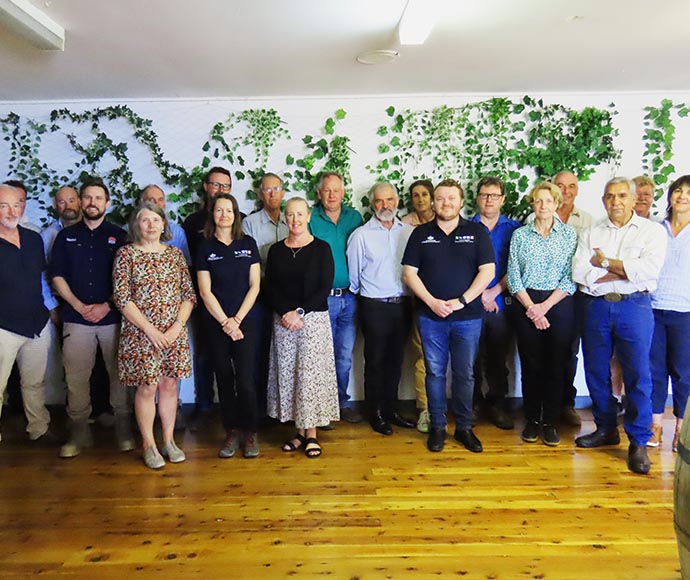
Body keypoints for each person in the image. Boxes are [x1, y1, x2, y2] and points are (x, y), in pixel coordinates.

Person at [572, 177, 667, 475]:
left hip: (634, 307)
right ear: (603, 200)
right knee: (596, 370)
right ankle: (606, 429)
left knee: (639, 373)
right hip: (596, 307)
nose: (616, 202)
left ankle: (638, 441)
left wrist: (604, 262)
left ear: (633, 198)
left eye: (622, 196)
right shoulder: (592, 230)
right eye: (610, 196)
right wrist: (623, 268)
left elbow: (647, 271)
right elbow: (579, 270)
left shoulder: (652, 232)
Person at [402, 178, 495, 453]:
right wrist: (432, 302)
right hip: (431, 318)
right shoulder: (420, 234)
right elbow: (409, 274)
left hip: (467, 318)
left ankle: (464, 428)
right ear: (434, 201)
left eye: (451, 198)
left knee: (465, 374)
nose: (445, 203)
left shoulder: (477, 232)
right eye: (440, 198)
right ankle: (438, 428)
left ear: (461, 201)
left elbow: (487, 272)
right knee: (434, 373)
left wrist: (461, 301)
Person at [50, 177, 133, 458]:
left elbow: (126, 281)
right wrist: (77, 304)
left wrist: (107, 306)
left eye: (98, 198)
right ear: (81, 201)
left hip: (112, 318)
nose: (92, 202)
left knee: (119, 376)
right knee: (76, 378)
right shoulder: (66, 236)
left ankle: (123, 429)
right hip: (75, 317)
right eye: (87, 197)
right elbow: (56, 275)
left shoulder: (120, 236)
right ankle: (79, 433)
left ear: (107, 204)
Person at [112, 202, 195, 469]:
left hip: (173, 333)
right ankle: (149, 444)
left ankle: (168, 441)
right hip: (140, 333)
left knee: (170, 386)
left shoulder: (174, 255)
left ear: (163, 224)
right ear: (136, 225)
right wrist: (150, 331)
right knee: (147, 386)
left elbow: (188, 295)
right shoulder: (126, 254)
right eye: (145, 220)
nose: (151, 225)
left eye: (155, 220)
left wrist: (175, 329)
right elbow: (122, 298)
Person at [265, 197, 339, 458]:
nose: (295, 220)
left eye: (300, 214)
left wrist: (298, 312)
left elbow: (324, 286)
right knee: (291, 376)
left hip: (312, 320)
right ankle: (298, 431)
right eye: (290, 214)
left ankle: (311, 435)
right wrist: (285, 312)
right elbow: (270, 287)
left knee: (310, 377)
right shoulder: (275, 250)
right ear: (285, 217)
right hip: (283, 321)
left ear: (308, 217)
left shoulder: (321, 248)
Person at [507, 182, 577, 446]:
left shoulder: (568, 235)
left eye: (548, 201)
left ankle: (551, 422)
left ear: (557, 204)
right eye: (538, 201)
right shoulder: (520, 236)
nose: (543, 206)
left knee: (556, 366)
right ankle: (532, 420)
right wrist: (531, 308)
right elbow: (514, 277)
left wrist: (544, 308)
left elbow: (570, 278)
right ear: (532, 204)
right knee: (531, 364)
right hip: (526, 302)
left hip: (557, 303)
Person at [347, 182, 415, 435]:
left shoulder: (408, 232)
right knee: (375, 360)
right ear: (372, 204)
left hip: (402, 305)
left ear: (397, 201)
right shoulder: (361, 235)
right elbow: (354, 276)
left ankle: (391, 410)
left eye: (389, 200)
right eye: (379, 201)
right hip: (373, 305)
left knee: (396, 361)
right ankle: (374, 412)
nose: (385, 205)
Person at [197, 194, 261, 458]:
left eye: (229, 210)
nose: (224, 214)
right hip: (216, 324)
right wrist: (225, 321)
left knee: (246, 380)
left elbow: (255, 285)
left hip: (247, 322)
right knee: (224, 378)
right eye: (219, 210)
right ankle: (231, 431)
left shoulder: (248, 243)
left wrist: (237, 320)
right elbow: (204, 291)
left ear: (236, 214)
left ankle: (250, 431)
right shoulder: (205, 247)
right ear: (212, 214)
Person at [0, 184, 55, 442]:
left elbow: (41, 278)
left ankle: (39, 429)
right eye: (3, 206)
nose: (12, 211)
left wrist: (49, 310)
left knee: (34, 383)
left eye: (16, 205)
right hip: (4, 326)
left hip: (37, 323)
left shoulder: (34, 238)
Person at [309, 172, 363, 423]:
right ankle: (321, 407)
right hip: (322, 298)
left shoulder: (355, 217)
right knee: (321, 355)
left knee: (343, 355)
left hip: (351, 298)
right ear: (319, 193)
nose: (332, 195)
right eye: (327, 190)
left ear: (343, 192)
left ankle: (341, 403)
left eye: (336, 190)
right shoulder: (311, 217)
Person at [470, 177, 521, 430]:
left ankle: (498, 405)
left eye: (494, 195)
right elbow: (461, 266)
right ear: (477, 198)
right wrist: (481, 295)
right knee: (471, 358)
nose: (488, 200)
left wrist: (494, 292)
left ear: (502, 199)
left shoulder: (515, 229)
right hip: (470, 303)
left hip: (503, 302)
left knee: (499, 358)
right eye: (484, 195)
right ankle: (474, 404)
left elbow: (518, 267)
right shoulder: (465, 227)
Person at [182, 167, 232, 421]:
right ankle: (203, 405)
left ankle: (235, 408)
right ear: (205, 186)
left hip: (236, 301)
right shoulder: (192, 222)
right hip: (203, 300)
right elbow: (187, 263)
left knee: (238, 354)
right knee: (204, 354)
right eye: (216, 185)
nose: (220, 191)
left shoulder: (238, 218)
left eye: (225, 186)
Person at [241, 172, 289, 419]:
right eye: (267, 189)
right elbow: (252, 262)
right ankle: (261, 410)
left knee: (286, 354)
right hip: (261, 294)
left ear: (283, 192)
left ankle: (285, 409)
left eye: (277, 188)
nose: (272, 193)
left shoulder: (292, 218)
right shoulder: (250, 223)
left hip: (289, 297)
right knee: (260, 353)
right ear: (261, 194)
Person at [648, 175, 690, 451]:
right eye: (678, 191)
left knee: (683, 373)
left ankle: (681, 431)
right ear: (670, 196)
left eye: (688, 192)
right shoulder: (655, 229)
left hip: (685, 312)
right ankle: (655, 427)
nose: (682, 196)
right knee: (654, 371)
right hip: (652, 308)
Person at [402, 179, 435, 432]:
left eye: (425, 194)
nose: (420, 199)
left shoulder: (447, 221)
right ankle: (425, 409)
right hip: (416, 298)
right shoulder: (405, 225)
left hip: (449, 300)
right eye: (416, 195)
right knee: (423, 355)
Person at [141, 184, 191, 264]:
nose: (157, 203)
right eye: (151, 200)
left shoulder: (177, 232)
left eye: (160, 199)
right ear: (142, 202)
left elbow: (187, 264)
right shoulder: (128, 230)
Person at [41, 186, 82, 257]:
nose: (68, 206)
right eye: (62, 202)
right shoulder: (47, 236)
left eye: (71, 201)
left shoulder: (92, 228)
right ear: (55, 205)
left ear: (79, 202)